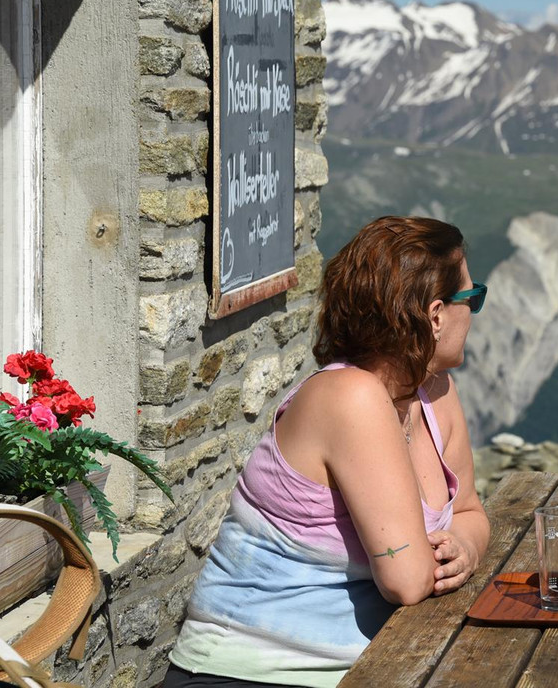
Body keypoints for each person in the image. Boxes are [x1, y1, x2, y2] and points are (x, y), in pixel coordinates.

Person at [165, 216, 491, 688]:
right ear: (436, 316)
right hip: (248, 672)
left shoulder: (435, 393)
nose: (474, 312)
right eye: (472, 298)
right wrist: (444, 550)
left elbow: (470, 511)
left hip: (366, 668)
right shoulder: (349, 398)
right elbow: (407, 579)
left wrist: (465, 547)